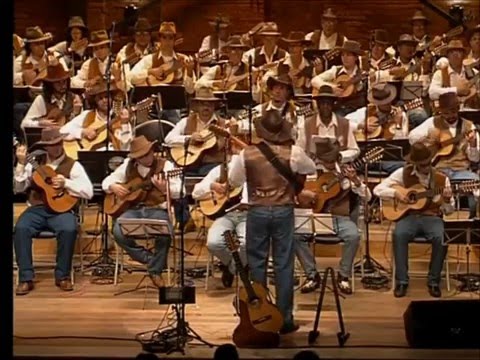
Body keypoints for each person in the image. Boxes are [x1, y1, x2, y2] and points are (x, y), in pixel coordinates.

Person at [228, 109, 316, 334]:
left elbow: (234, 179)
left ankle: (260, 317)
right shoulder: (293, 152)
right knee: (283, 264)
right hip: (283, 210)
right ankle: (285, 318)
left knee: (257, 264)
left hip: (257, 211)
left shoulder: (246, 154)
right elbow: (311, 168)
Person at [13, 127, 94, 295]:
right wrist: (20, 165)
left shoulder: (73, 165)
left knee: (69, 228)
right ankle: (25, 278)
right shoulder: (34, 162)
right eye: (52, 145)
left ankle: (62, 276)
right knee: (21, 228)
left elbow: (89, 192)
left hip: (62, 210)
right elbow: (18, 188)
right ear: (46, 146)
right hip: (36, 209)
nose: (56, 147)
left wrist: (67, 183)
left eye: (58, 143)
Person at [373, 143, 453, 298]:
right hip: (408, 216)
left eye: (428, 163)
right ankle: (401, 281)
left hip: (432, 217)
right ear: (415, 163)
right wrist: (396, 193)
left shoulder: (442, 179)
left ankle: (434, 281)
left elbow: (449, 212)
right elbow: (377, 189)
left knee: (442, 237)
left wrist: (448, 201)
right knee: (399, 234)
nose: (426, 167)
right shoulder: (402, 173)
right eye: (422, 164)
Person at [102, 136, 181, 287]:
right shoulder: (127, 165)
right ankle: (152, 260)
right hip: (133, 210)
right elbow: (106, 181)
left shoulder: (167, 166)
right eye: (143, 156)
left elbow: (180, 190)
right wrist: (113, 187)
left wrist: (166, 189)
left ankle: (155, 271)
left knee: (165, 233)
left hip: (157, 209)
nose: (148, 157)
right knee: (118, 231)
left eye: (149, 153)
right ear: (136, 158)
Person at [299, 138, 371, 294]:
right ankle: (312, 275)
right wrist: (303, 193)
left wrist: (356, 181)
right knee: (294, 236)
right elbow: (297, 190)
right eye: (325, 161)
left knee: (353, 236)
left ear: (338, 158)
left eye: (332, 160)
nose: (329, 164)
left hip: (340, 218)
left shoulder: (347, 172)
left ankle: (344, 276)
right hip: (314, 217)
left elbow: (368, 197)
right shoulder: (310, 171)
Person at [409, 92, 479, 218]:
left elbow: (474, 158)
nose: (450, 116)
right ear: (440, 111)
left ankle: (472, 219)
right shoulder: (432, 122)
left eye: (452, 112)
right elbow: (412, 137)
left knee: (475, 182)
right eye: (445, 113)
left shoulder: (469, 127)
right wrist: (430, 140)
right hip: (437, 170)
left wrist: (473, 144)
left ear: (457, 109)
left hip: (460, 170)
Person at [191, 143, 247, 288]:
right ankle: (236, 265)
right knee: (214, 243)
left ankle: (231, 268)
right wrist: (212, 186)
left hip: (249, 216)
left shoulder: (255, 171)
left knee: (247, 243)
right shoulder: (219, 170)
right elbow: (195, 192)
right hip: (225, 215)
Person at [164, 87, 227, 176]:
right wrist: (189, 139)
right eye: (202, 104)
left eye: (209, 104)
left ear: (214, 106)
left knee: (208, 172)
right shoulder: (185, 121)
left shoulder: (223, 123)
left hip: (212, 164)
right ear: (197, 106)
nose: (206, 107)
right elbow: (168, 139)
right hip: (188, 162)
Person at [60, 81, 133, 153]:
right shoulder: (87, 115)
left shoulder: (120, 119)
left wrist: (125, 124)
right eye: (100, 98)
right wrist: (83, 132)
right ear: (95, 100)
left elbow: (126, 148)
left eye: (107, 97)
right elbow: (62, 131)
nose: (104, 100)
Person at [304, 85, 360, 163]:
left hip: (337, 169)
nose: (325, 106)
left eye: (328, 103)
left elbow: (355, 150)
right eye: (322, 103)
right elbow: (299, 149)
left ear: (333, 104)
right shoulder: (307, 124)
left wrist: (340, 156)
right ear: (318, 105)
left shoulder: (344, 124)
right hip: (314, 170)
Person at [311, 40, 367, 116]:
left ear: (356, 57)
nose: (345, 58)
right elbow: (314, 80)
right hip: (336, 110)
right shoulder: (335, 70)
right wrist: (332, 88)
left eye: (348, 55)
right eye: (343, 55)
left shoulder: (362, 75)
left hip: (354, 112)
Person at [21, 63, 83, 129]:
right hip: (49, 137)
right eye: (58, 82)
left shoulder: (74, 98)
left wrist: (76, 113)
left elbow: (82, 124)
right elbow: (24, 124)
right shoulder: (41, 99)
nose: (63, 86)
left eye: (64, 82)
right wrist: (39, 123)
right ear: (50, 84)